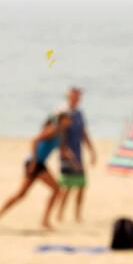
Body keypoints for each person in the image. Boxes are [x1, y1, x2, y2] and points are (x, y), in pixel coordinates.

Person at [0, 111, 69, 230]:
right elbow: (34, 140)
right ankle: (44, 221)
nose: (70, 121)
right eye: (68, 119)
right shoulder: (52, 130)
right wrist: (34, 160)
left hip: (40, 164)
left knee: (22, 194)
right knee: (56, 190)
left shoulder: (60, 133)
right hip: (35, 164)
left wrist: (69, 156)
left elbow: (60, 148)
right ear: (62, 120)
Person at [55, 86, 97, 222]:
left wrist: (91, 150)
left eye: (79, 97)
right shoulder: (62, 113)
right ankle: (59, 214)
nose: (77, 99)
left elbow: (83, 132)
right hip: (66, 154)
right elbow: (59, 136)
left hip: (78, 153)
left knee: (81, 185)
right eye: (74, 96)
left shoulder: (79, 113)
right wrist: (67, 154)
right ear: (68, 97)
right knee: (67, 186)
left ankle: (77, 215)